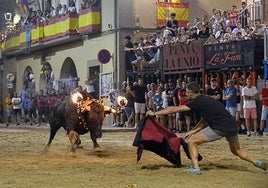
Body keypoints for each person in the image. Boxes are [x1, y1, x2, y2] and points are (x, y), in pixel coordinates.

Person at [146, 82, 267, 175]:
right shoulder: (206, 99)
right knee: (237, 150)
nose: (186, 95)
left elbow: (175, 109)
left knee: (192, 142)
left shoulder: (196, 101)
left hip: (220, 127)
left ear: (191, 93)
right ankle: (257, 162)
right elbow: (204, 121)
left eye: (187, 93)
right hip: (231, 126)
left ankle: (195, 168)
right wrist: (192, 131)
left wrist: (155, 114)